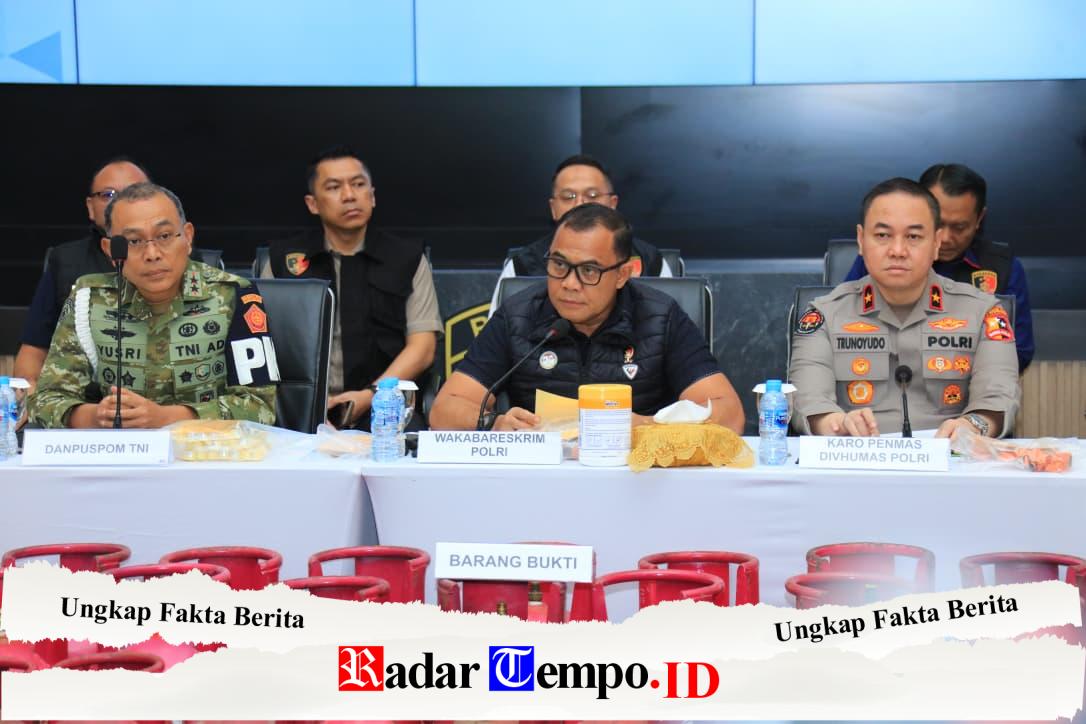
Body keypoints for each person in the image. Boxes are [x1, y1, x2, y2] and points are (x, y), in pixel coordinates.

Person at [430, 203, 744, 433]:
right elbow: (445, 409)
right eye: (559, 265)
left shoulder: (660, 317)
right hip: (542, 479)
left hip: (637, 480)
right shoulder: (518, 315)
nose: (569, 283)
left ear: (622, 274)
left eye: (589, 271)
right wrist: (494, 423)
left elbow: (729, 415)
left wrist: (648, 427)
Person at [28, 182, 278, 429]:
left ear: (188, 237)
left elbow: (260, 407)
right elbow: (45, 401)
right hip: (121, 450)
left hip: (206, 450)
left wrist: (165, 419)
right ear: (111, 250)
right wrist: (97, 417)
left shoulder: (235, 295)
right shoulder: (88, 299)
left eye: (165, 236)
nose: (152, 254)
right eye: (133, 241)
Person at [790, 178, 1019, 438]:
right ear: (861, 240)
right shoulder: (824, 315)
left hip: (951, 457)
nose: (898, 250)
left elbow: (997, 402)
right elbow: (808, 403)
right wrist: (838, 425)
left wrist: (972, 426)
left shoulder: (984, 313)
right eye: (883, 235)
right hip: (857, 456)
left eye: (913, 236)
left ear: (936, 243)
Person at [262, 145, 441, 429]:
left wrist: (371, 396)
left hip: (385, 409)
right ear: (312, 204)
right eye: (334, 187)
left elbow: (423, 348)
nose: (349, 196)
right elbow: (262, 345)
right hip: (299, 412)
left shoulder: (407, 258)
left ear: (372, 195)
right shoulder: (283, 261)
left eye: (358, 184)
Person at [843, 163, 1034, 370]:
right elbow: (843, 326)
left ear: (979, 218)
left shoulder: (1001, 267)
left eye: (959, 227)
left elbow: (1019, 350)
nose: (946, 238)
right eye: (939, 224)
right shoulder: (884, 258)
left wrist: (950, 366)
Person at [14, 158, 151, 392]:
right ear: (90, 207)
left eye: (133, 192)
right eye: (108, 194)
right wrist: (29, 393)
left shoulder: (180, 258)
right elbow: (34, 349)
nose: (119, 202)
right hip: (78, 402)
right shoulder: (65, 261)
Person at [488, 154, 673, 313]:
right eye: (568, 196)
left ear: (613, 204)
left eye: (592, 195)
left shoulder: (651, 262)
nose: (580, 204)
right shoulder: (522, 267)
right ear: (553, 208)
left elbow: (668, 326)